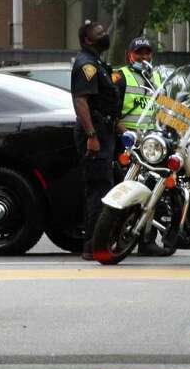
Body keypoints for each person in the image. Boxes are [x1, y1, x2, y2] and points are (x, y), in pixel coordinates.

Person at [71, 20, 122, 260]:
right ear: (87, 40)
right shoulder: (86, 65)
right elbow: (81, 101)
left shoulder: (97, 62)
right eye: (99, 33)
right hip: (95, 133)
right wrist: (92, 135)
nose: (105, 35)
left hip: (105, 130)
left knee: (104, 185)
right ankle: (92, 245)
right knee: (99, 189)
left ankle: (97, 242)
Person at [116, 36, 165, 131]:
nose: (144, 57)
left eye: (147, 53)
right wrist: (126, 133)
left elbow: (164, 106)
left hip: (151, 135)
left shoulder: (157, 76)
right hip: (127, 135)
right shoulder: (119, 75)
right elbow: (111, 111)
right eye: (138, 53)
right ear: (129, 54)